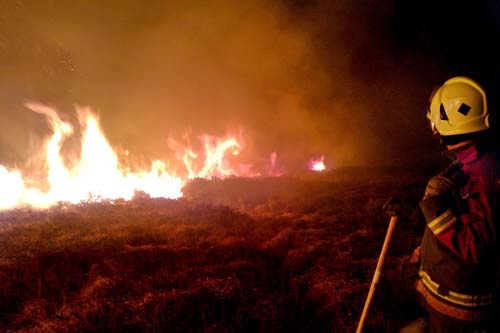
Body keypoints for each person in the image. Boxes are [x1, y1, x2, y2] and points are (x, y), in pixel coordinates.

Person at [377, 76, 500, 333]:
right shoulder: (470, 157)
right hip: (439, 283)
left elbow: (476, 246)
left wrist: (434, 205)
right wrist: (414, 208)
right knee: (392, 291)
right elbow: (458, 207)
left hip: (460, 307)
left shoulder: (485, 172)